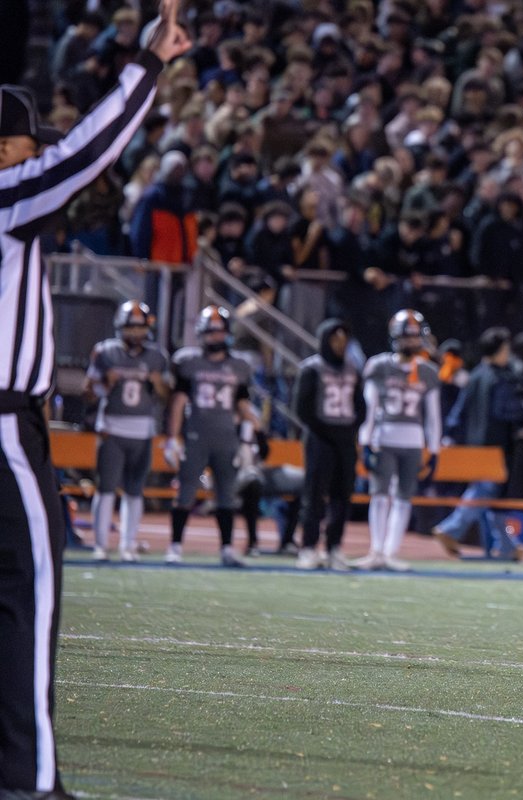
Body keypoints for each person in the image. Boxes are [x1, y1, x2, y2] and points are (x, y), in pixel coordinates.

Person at [0, 4, 189, 788]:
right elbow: (83, 153)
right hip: (5, 429)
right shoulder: (7, 197)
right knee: (30, 589)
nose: (29, 157)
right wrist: (148, 65)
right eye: (20, 145)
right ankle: (32, 776)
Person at [164, 305, 258, 567]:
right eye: (210, 332)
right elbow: (178, 402)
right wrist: (173, 437)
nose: (214, 337)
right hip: (196, 434)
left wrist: (250, 436)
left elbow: (242, 405)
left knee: (227, 495)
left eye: (219, 332)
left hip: (226, 436)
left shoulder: (239, 365)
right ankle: (175, 546)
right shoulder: (188, 361)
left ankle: (227, 549)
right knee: (186, 492)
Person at [83, 301, 169, 562]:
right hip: (112, 427)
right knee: (106, 487)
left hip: (142, 430)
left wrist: (157, 384)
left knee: (135, 490)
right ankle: (100, 544)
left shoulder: (156, 356)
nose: (136, 334)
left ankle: (128, 544)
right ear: (120, 327)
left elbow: (166, 396)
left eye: (140, 328)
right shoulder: (105, 352)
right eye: (131, 328)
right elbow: (86, 392)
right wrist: (101, 384)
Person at [356, 310, 441, 571]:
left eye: (415, 337)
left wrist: (434, 449)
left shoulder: (427, 371)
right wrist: (366, 441)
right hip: (385, 436)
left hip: (413, 441)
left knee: (404, 497)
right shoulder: (379, 365)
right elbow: (369, 409)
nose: (411, 342)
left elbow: (433, 416)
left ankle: (390, 552)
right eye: (407, 337)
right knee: (380, 495)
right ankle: (376, 550)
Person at [433, 327, 523, 561]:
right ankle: (450, 529)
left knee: (493, 498)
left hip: (473, 445)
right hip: (494, 447)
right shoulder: (499, 378)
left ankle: (507, 546)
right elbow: (503, 412)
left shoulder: (475, 375)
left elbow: (459, 410)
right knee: (483, 493)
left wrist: (451, 436)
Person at [293, 319, 365, 571]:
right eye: (335, 338)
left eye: (344, 338)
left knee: (342, 497)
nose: (340, 343)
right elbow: (302, 408)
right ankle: (309, 547)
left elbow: (360, 406)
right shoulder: (312, 368)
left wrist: (350, 430)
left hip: (345, 440)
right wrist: (326, 431)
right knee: (314, 495)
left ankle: (334, 547)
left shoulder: (353, 369)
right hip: (320, 438)